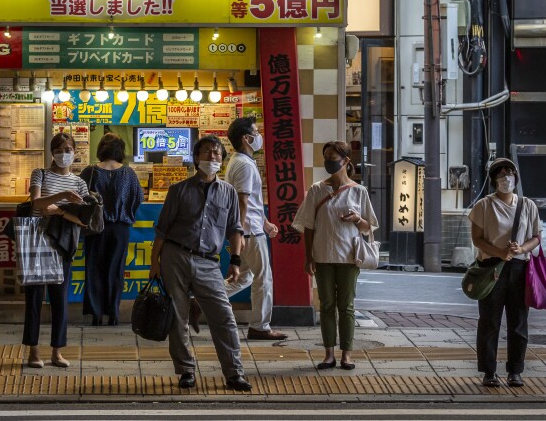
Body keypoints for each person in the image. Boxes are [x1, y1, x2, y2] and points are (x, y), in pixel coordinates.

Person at [149, 135, 252, 392]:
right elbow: (162, 230)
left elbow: (235, 228)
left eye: (217, 154)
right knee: (178, 316)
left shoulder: (228, 192)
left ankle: (234, 372)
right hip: (175, 257)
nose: (212, 157)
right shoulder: (179, 190)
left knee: (224, 317)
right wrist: (154, 263)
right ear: (196, 158)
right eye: (207, 152)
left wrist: (236, 260)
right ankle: (185, 370)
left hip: (209, 262)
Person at [293, 140, 378, 371]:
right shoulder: (317, 189)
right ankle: (329, 353)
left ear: (346, 161)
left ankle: (347, 354)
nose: (329, 161)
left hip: (349, 257)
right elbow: (307, 225)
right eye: (326, 157)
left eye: (333, 157)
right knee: (327, 305)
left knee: (346, 306)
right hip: (322, 255)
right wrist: (308, 257)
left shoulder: (358, 191)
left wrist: (357, 219)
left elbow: (369, 226)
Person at [469, 157, 540, 388]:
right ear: (493, 180)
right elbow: (477, 238)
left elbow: (537, 237)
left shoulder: (528, 205)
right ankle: (489, 371)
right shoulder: (484, 205)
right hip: (491, 268)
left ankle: (515, 371)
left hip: (520, 268)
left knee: (519, 322)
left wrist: (521, 248)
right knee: (489, 322)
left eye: (509, 172)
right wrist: (500, 253)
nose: (506, 177)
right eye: (500, 174)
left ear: (516, 177)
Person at [23, 131, 89, 369]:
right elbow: (36, 204)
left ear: (75, 152)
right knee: (35, 298)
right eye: (59, 150)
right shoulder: (40, 173)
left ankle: (57, 351)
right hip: (37, 241)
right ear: (52, 153)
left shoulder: (80, 182)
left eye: (68, 150)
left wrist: (59, 211)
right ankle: (33, 351)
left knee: (60, 298)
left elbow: (83, 219)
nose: (63, 155)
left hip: (64, 243)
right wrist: (63, 197)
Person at [222, 117, 287, 341]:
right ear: (246, 138)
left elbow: (252, 203)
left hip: (252, 228)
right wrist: (240, 232)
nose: (259, 136)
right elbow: (243, 202)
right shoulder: (243, 165)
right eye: (256, 132)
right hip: (250, 233)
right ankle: (260, 326)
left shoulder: (241, 162)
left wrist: (265, 223)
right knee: (263, 279)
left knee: (244, 277)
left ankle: (204, 299)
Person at [80, 133, 144, 326]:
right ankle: (113, 313)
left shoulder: (90, 171)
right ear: (120, 150)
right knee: (115, 270)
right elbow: (138, 197)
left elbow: (79, 196)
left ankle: (96, 314)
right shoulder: (128, 173)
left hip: (95, 227)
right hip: (120, 228)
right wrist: (125, 213)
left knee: (94, 268)